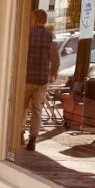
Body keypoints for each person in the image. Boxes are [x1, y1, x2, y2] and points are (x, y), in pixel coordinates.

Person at [23, 9, 60, 151]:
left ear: (34, 19)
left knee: (22, 107)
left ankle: (20, 133)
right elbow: (55, 58)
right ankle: (33, 138)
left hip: (26, 77)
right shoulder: (50, 36)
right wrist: (53, 73)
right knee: (37, 109)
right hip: (42, 79)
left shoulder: (28, 35)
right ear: (44, 20)